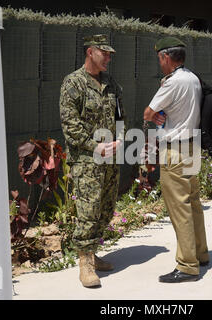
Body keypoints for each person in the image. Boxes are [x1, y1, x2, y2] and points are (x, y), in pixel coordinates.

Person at [59, 34, 126, 288]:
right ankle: (84, 263)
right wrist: (94, 145)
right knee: (88, 209)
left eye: (110, 54)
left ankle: (93, 253)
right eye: (104, 53)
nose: (108, 58)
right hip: (87, 159)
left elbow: (121, 116)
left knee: (105, 207)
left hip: (110, 158)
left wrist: (119, 139)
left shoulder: (112, 84)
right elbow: (70, 123)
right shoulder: (73, 83)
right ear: (90, 52)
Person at [143, 36, 209, 283]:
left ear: (166, 57)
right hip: (193, 147)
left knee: (179, 208)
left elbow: (148, 112)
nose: (159, 63)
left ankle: (187, 265)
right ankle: (201, 254)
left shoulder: (171, 83)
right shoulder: (193, 78)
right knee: (193, 204)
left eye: (159, 58)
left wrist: (157, 114)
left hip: (175, 151)